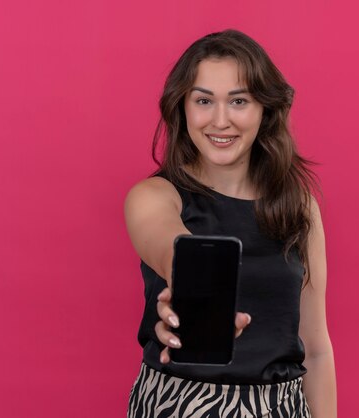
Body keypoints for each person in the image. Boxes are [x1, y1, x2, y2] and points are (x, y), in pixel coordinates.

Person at [124, 29, 337, 418]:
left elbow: (317, 349)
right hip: (177, 406)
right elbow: (167, 242)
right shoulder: (154, 196)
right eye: (204, 100)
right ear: (183, 107)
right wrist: (194, 290)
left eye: (238, 101)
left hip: (281, 409)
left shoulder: (299, 207)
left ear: (264, 109)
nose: (220, 120)